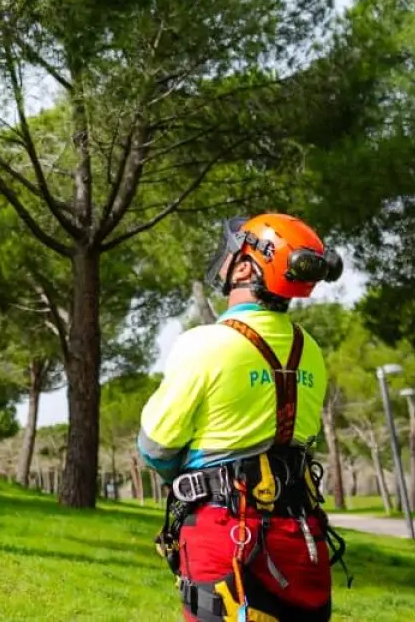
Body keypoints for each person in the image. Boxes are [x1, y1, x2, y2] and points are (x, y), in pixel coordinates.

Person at [139, 213, 345, 622]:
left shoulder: (206, 344)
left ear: (247, 266)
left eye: (233, 252)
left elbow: (155, 447)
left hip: (227, 536)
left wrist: (185, 478)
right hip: (302, 537)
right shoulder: (312, 351)